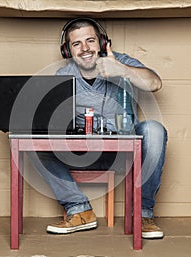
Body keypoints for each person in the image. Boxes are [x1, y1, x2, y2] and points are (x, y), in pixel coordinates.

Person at [28, 17, 167, 239]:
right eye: (76, 44)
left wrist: (121, 69)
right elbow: (53, 124)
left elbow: (155, 83)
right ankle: (79, 210)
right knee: (36, 144)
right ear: (68, 51)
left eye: (90, 40)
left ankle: (143, 215)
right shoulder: (63, 77)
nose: (85, 49)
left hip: (126, 153)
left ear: (101, 43)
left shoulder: (121, 61)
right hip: (83, 153)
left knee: (155, 130)